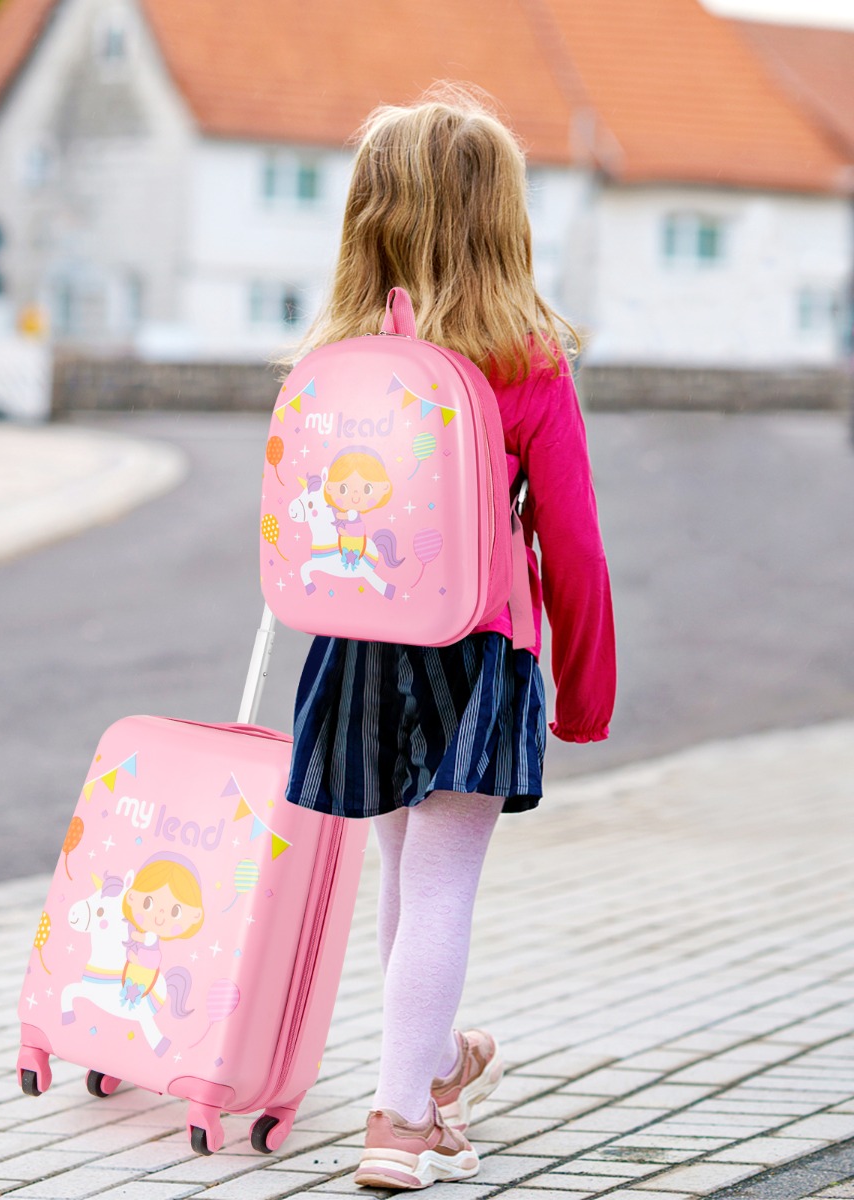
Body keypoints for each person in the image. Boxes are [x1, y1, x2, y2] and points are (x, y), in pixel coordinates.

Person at [282, 88, 616, 1191]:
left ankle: (427, 1084)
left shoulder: (337, 352)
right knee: (441, 887)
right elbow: (570, 542)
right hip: (479, 649)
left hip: (362, 642)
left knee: (401, 878)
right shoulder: (525, 359)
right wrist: (584, 689)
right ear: (502, 218)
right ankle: (396, 1122)